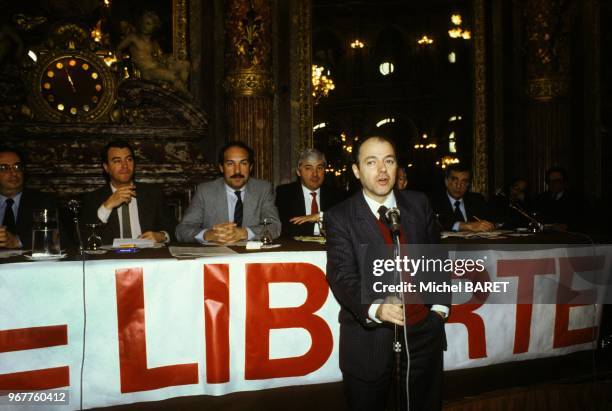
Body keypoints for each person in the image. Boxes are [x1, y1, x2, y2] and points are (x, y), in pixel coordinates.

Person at [325, 136, 448, 411]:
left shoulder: (419, 204)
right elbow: (341, 275)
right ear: (357, 171)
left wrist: (439, 312)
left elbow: (436, 258)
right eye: (372, 162)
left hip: (423, 337)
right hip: (369, 343)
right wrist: (376, 308)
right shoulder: (340, 216)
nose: (382, 170)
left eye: (389, 161)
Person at [176, 141, 281, 244]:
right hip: (217, 256)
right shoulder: (205, 191)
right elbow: (182, 230)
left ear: (250, 167)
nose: (237, 171)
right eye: (230, 164)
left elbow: (275, 226)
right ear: (221, 168)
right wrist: (207, 235)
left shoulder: (262, 189)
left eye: (243, 163)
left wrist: (244, 233)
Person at [81, 140, 175, 245]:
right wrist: (107, 206)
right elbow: (83, 238)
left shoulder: (153, 193)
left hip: (146, 257)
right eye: (117, 161)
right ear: (106, 167)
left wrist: (161, 236)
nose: (125, 165)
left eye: (129, 159)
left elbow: (174, 230)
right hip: (111, 259)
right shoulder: (93, 198)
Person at [275, 148, 343, 237]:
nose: (315, 174)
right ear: (298, 172)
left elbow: (343, 225)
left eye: (319, 168)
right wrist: (321, 225)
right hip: (297, 248)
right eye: (308, 168)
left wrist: (320, 217)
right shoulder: (285, 193)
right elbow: (285, 228)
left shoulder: (336, 195)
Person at [117, 11, 190, 92]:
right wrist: (120, 64)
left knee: (185, 64)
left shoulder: (154, 43)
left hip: (157, 67)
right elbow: (118, 49)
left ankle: (175, 91)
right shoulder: (133, 38)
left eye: (148, 24)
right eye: (144, 23)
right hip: (147, 71)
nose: (145, 26)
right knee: (173, 76)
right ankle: (187, 97)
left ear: (154, 27)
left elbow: (160, 58)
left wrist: (168, 58)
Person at [0, 146, 56, 249]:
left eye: (17, 167)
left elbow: (56, 238)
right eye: (4, 168)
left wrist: (17, 241)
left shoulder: (42, 201)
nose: (13, 173)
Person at [429, 164, 494, 232]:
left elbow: (492, 221)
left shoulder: (477, 200)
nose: (459, 186)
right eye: (454, 180)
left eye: (464, 181)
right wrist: (465, 226)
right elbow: (435, 224)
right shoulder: (433, 201)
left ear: (468, 184)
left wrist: (488, 225)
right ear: (446, 182)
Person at [535, 167, 582, 231]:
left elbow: (583, 220)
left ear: (564, 182)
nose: (553, 184)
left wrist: (567, 226)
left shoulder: (576, 199)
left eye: (557, 181)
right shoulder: (541, 198)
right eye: (550, 181)